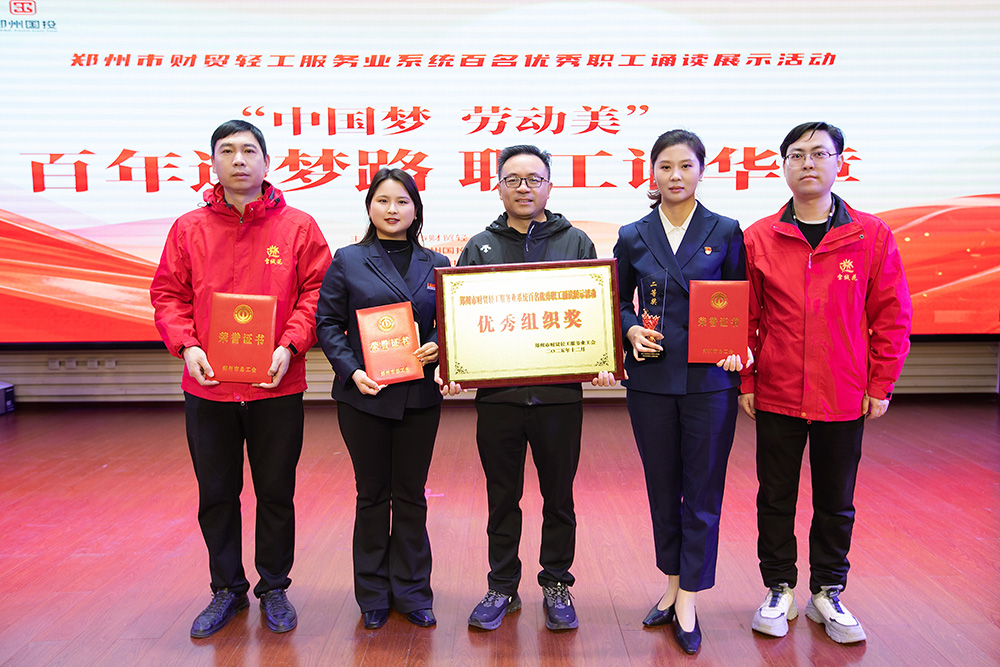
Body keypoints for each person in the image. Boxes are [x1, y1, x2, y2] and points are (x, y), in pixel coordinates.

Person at [150, 119, 331, 638]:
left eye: (249, 151)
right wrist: (187, 346)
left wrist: (290, 345)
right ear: (213, 163)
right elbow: (168, 294)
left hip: (277, 384)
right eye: (226, 151)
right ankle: (226, 589)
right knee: (216, 493)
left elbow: (317, 292)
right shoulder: (189, 227)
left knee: (276, 492)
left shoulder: (298, 226)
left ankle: (274, 587)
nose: (238, 160)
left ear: (267, 162)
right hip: (209, 387)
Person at [741, 122, 912, 644]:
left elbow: (892, 314)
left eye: (819, 153)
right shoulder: (760, 237)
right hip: (777, 390)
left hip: (843, 392)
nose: (808, 163)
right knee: (775, 497)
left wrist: (880, 382)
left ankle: (828, 592)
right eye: (797, 155)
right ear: (783, 166)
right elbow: (746, 318)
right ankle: (779, 588)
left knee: (836, 500)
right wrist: (747, 379)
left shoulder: (870, 235)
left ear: (840, 162)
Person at [441, 145, 615, 632]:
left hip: (559, 399)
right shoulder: (479, 246)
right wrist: (455, 365)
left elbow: (595, 313)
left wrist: (601, 358)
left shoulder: (576, 241)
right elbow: (462, 321)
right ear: (498, 187)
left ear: (549, 186)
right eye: (513, 179)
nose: (524, 188)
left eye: (534, 179)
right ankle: (502, 585)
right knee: (502, 497)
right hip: (499, 400)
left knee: (559, 497)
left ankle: (556, 582)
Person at [613, 129, 746, 654]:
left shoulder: (725, 229)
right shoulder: (632, 234)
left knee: (703, 491)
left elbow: (736, 299)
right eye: (665, 166)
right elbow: (618, 301)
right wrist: (630, 330)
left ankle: (688, 597)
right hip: (650, 380)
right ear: (652, 173)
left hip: (710, 381)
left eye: (686, 166)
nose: (675, 176)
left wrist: (734, 346)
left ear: (701, 171)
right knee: (663, 488)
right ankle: (670, 585)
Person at [315, 168, 450, 630]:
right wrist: (352, 371)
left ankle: (412, 592)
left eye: (402, 201)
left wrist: (439, 344)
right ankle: (372, 594)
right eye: (383, 201)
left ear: (416, 209)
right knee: (372, 495)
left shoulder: (438, 263)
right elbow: (327, 323)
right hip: (363, 397)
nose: (392, 210)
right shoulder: (348, 259)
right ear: (369, 207)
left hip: (418, 396)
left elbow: (448, 322)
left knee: (411, 496)